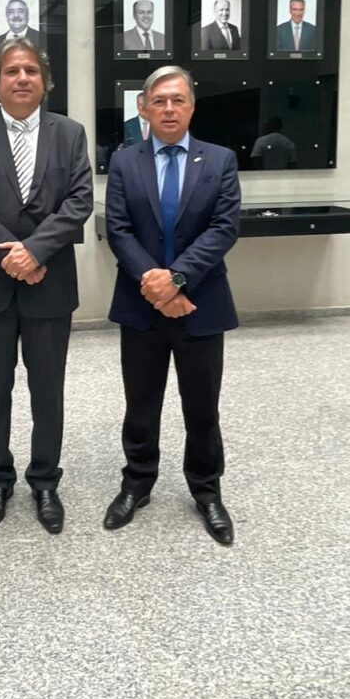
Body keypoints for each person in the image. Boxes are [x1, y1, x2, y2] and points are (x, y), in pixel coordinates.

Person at [0, 39, 92, 535]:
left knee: (47, 389)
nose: (23, 78)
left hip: (50, 285)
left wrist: (36, 252)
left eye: (32, 70)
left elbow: (79, 202)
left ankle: (45, 481)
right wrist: (12, 253)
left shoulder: (70, 133)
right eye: (12, 71)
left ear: (45, 81)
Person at [103, 65, 240, 545]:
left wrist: (177, 280)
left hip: (201, 304)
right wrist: (155, 284)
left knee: (202, 405)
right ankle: (137, 483)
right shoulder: (124, 162)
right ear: (142, 108)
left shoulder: (220, 160)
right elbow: (117, 229)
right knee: (141, 403)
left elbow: (224, 228)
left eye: (177, 100)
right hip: (140, 306)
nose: (168, 108)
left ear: (192, 107)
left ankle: (206, 490)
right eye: (158, 100)